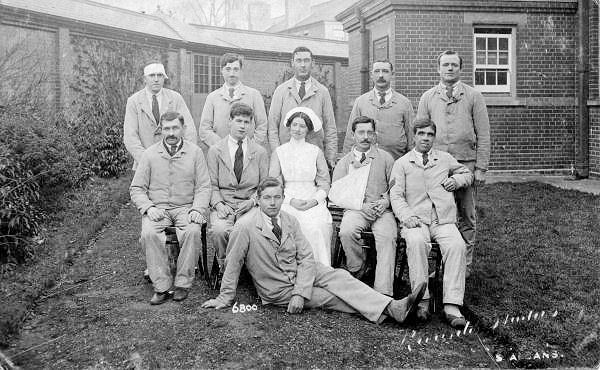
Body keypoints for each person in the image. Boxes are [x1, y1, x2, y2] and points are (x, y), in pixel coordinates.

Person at [201, 177, 426, 325]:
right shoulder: (245, 226)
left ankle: (394, 307)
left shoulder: (288, 219)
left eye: (277, 197)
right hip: (278, 287)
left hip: (302, 271)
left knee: (340, 276)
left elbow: (306, 256)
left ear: (282, 198)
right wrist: (225, 296)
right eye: (267, 198)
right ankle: (392, 310)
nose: (272, 203)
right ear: (258, 200)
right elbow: (233, 262)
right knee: (331, 297)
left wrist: (301, 289)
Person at [389, 118, 472, 328]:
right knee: (416, 242)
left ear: (434, 137)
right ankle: (422, 300)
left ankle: (452, 305)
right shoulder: (402, 163)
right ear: (414, 135)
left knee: (457, 245)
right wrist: (406, 216)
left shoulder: (444, 159)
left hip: (442, 219)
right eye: (421, 134)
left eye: (430, 134)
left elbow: (467, 173)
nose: (426, 138)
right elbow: (396, 195)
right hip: (416, 220)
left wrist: (456, 180)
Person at [416, 50, 490, 276]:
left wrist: (480, 168)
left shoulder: (474, 96)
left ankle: (464, 264)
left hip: (465, 163)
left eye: (454, 65)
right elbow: (419, 133)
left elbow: (484, 134)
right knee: (438, 213)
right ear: (438, 68)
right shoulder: (428, 97)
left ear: (460, 68)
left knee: (466, 213)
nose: (449, 69)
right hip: (436, 166)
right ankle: (437, 263)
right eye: (445, 65)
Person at [129, 111, 210, 305]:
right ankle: (162, 286)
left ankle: (182, 283)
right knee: (149, 233)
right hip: (159, 208)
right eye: (167, 128)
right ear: (160, 130)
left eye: (175, 128)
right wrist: (148, 208)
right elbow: (136, 188)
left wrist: (198, 209)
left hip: (185, 208)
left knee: (192, 231)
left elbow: (204, 186)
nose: (171, 132)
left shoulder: (195, 153)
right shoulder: (149, 154)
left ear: (183, 129)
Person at [332, 116, 396, 295]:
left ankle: (383, 291)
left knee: (387, 237)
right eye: (361, 132)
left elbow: (397, 187)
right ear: (353, 135)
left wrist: (386, 201)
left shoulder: (385, 158)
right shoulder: (345, 162)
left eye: (369, 132)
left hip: (382, 211)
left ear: (375, 135)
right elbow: (336, 193)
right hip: (357, 210)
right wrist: (360, 205)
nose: (365, 136)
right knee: (346, 231)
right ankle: (358, 267)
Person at [206, 102, 269, 270]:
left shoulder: (260, 152)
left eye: (247, 122)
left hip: (249, 206)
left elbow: (264, 186)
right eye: (238, 121)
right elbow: (211, 185)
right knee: (220, 230)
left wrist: (253, 201)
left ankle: (248, 266)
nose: (242, 126)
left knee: (250, 229)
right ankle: (226, 267)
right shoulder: (215, 151)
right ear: (229, 121)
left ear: (251, 125)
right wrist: (218, 204)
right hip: (224, 204)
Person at [269, 107, 332, 266]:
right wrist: (290, 201)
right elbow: (274, 183)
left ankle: (318, 269)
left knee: (317, 226)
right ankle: (288, 270)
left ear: (308, 130)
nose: (297, 129)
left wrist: (314, 201)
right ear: (289, 127)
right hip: (286, 198)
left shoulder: (315, 151)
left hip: (312, 198)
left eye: (302, 126)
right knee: (288, 225)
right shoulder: (279, 152)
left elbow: (324, 182)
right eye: (295, 125)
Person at [267, 46, 337, 169]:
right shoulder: (281, 91)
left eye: (306, 60)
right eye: (299, 61)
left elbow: (330, 127)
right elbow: (272, 127)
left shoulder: (322, 92)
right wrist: (277, 154)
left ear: (313, 63)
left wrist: (330, 157)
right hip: (286, 158)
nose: (303, 65)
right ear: (292, 63)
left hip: (313, 158)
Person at [124, 62, 197, 169]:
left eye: (160, 75)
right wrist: (146, 160)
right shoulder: (134, 101)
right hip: (144, 164)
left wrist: (184, 156)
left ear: (164, 78)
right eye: (152, 75)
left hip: (175, 162)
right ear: (145, 79)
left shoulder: (175, 98)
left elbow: (189, 129)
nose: (156, 79)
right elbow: (130, 137)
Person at [342, 60, 414, 160]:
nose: (380, 75)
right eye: (377, 71)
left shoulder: (404, 103)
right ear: (372, 75)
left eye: (385, 71)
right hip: (367, 163)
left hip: (396, 161)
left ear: (392, 74)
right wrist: (347, 160)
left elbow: (411, 137)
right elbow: (351, 135)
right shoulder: (361, 102)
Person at [199, 53, 268, 153]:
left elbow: (262, 125)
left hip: (247, 153)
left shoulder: (254, 95)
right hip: (221, 152)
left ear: (240, 71)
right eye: (228, 69)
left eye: (236, 69)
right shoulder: (212, 97)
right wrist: (222, 146)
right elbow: (204, 129)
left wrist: (251, 146)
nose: (232, 73)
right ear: (221, 70)